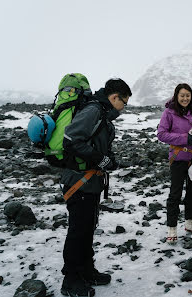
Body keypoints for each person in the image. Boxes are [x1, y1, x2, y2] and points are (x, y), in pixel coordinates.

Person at [60, 78, 132, 297]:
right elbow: (71, 138)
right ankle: (70, 279)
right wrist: (101, 160)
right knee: (78, 231)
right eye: (124, 102)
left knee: (87, 227)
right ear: (114, 97)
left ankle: (86, 270)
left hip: (90, 182)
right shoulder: (93, 110)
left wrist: (109, 160)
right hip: (78, 181)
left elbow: (94, 143)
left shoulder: (101, 113)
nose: (124, 108)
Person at [157, 83, 192, 245]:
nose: (185, 98)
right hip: (178, 159)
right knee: (175, 194)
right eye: (182, 95)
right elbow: (162, 134)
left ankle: (190, 223)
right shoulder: (169, 113)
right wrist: (186, 138)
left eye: (188, 95)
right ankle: (172, 228)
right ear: (176, 96)